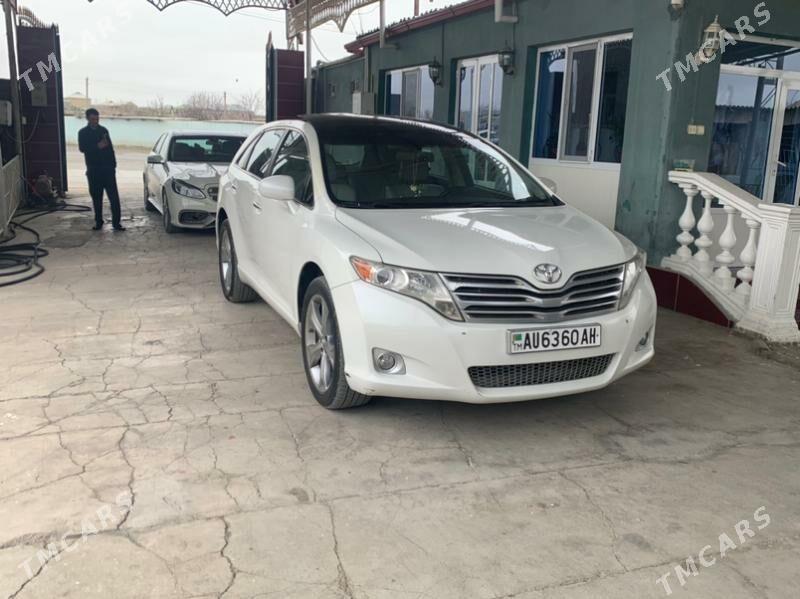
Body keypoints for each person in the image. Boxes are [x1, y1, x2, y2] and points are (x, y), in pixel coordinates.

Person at [78, 108, 125, 231]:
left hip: (108, 170)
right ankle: (98, 221)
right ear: (87, 119)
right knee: (97, 198)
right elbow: (82, 148)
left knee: (114, 198)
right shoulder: (83, 133)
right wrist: (97, 146)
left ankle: (116, 223)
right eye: (93, 119)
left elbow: (110, 149)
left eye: (97, 119)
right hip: (93, 170)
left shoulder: (103, 130)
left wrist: (113, 165)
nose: (95, 121)